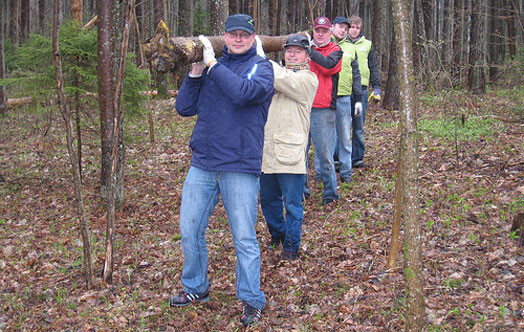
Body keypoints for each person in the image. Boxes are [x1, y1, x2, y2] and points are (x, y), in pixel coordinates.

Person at [169, 14, 274, 327]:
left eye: (244, 34)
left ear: (253, 37)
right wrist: (197, 72)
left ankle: (251, 300)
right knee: (189, 229)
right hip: (203, 163)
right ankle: (196, 287)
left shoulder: (262, 67)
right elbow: (184, 108)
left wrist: (214, 66)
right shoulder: (212, 68)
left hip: (240, 167)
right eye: (233, 34)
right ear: (224, 37)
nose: (238, 39)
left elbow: (244, 93)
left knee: (243, 238)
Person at [260, 35, 319, 261]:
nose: (292, 54)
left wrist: (261, 58)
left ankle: (292, 248)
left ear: (306, 55)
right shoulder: (276, 75)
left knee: (293, 205)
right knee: (268, 200)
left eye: (298, 51)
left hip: (291, 153)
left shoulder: (308, 79)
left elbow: (283, 79)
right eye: (288, 51)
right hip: (268, 151)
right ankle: (278, 235)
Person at [306, 17, 343, 205]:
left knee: (325, 154)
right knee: (299, 153)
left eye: (324, 31)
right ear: (313, 31)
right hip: (302, 106)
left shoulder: (335, 50)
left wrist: (309, 50)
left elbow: (328, 67)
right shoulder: (305, 49)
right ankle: (302, 190)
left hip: (323, 109)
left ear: (330, 32)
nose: (320, 34)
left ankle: (330, 193)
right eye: (317, 30)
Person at [331, 16, 363, 183]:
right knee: (326, 137)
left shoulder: (351, 48)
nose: (342, 30)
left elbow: (356, 75)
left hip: (344, 97)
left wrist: (358, 99)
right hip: (325, 99)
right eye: (340, 27)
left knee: (344, 136)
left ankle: (346, 172)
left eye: (345, 28)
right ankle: (325, 173)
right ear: (332, 27)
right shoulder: (323, 44)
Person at [347, 15, 381, 168]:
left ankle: (357, 158)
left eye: (357, 27)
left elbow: (373, 66)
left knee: (358, 125)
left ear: (360, 29)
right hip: (345, 90)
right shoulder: (341, 43)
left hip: (361, 89)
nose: (354, 30)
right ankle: (340, 158)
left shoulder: (367, 44)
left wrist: (377, 87)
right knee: (342, 125)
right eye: (352, 27)